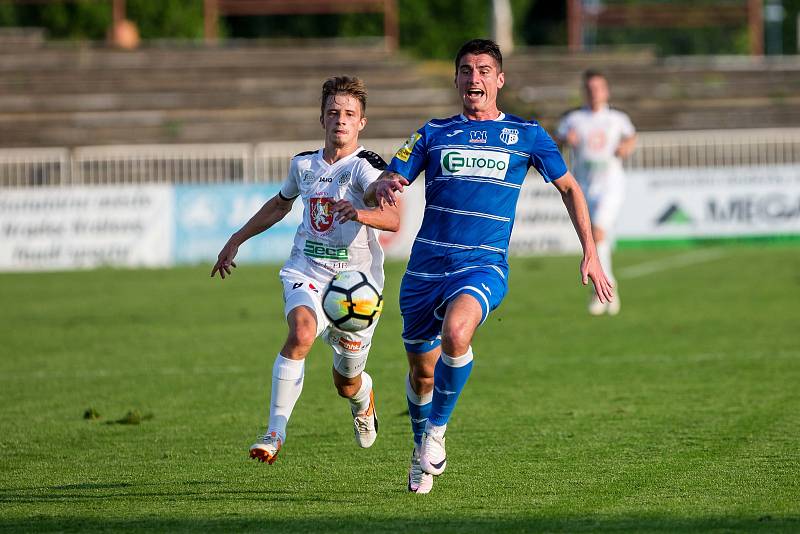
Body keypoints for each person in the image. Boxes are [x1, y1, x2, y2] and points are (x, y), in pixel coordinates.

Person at [365, 39, 614, 494]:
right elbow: (392, 176)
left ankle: (437, 433)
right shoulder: (432, 131)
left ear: (499, 80)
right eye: (465, 70)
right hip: (424, 269)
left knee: (457, 334)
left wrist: (591, 252)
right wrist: (383, 185)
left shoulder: (527, 134)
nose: (473, 78)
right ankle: (421, 444)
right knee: (422, 373)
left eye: (483, 71)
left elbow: (570, 188)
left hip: (482, 265)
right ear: (456, 78)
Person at [212, 76, 399, 464]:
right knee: (301, 334)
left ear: (362, 122)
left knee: (345, 383)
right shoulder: (303, 164)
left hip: (356, 285)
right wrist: (236, 239)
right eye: (334, 113)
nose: (341, 120)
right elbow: (281, 204)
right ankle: (274, 433)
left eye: (350, 114)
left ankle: (363, 397)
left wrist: (361, 211)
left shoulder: (366, 167)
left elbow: (393, 218)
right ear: (322, 119)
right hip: (307, 269)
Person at [555, 69, 636, 315]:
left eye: (598, 88)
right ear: (584, 92)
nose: (594, 93)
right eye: (590, 89)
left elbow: (631, 137)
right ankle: (607, 286)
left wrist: (625, 147)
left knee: (598, 233)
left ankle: (604, 286)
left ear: (606, 91)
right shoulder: (574, 119)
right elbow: (555, 141)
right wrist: (565, 140)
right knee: (595, 237)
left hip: (611, 185)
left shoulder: (617, 118)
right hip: (583, 186)